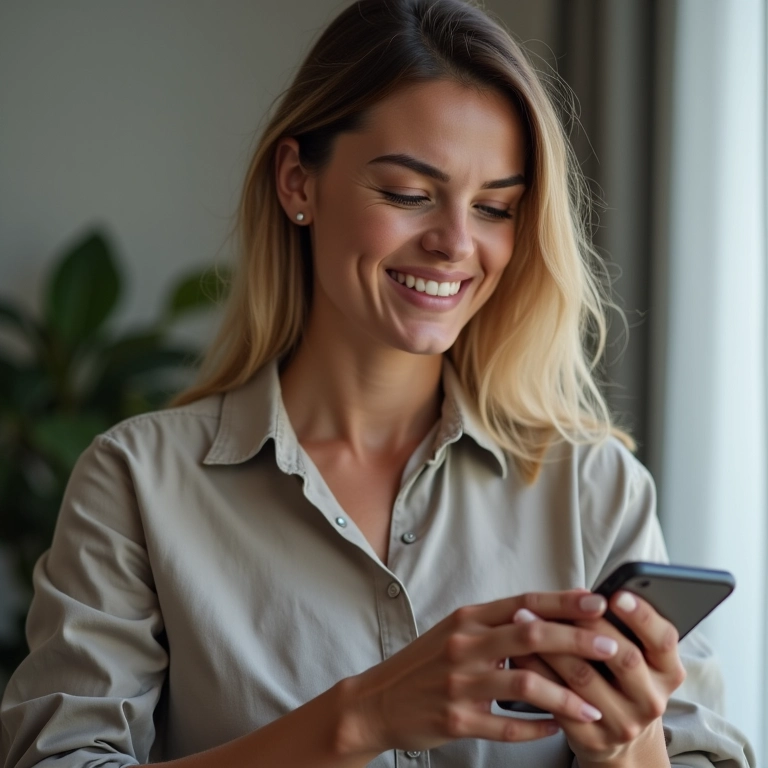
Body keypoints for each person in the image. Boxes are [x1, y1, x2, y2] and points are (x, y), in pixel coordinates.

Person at [0, 1, 756, 766]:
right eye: (408, 194)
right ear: (298, 182)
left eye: (495, 207)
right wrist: (364, 718)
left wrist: (628, 746)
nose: (456, 243)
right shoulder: (136, 483)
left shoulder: (594, 490)